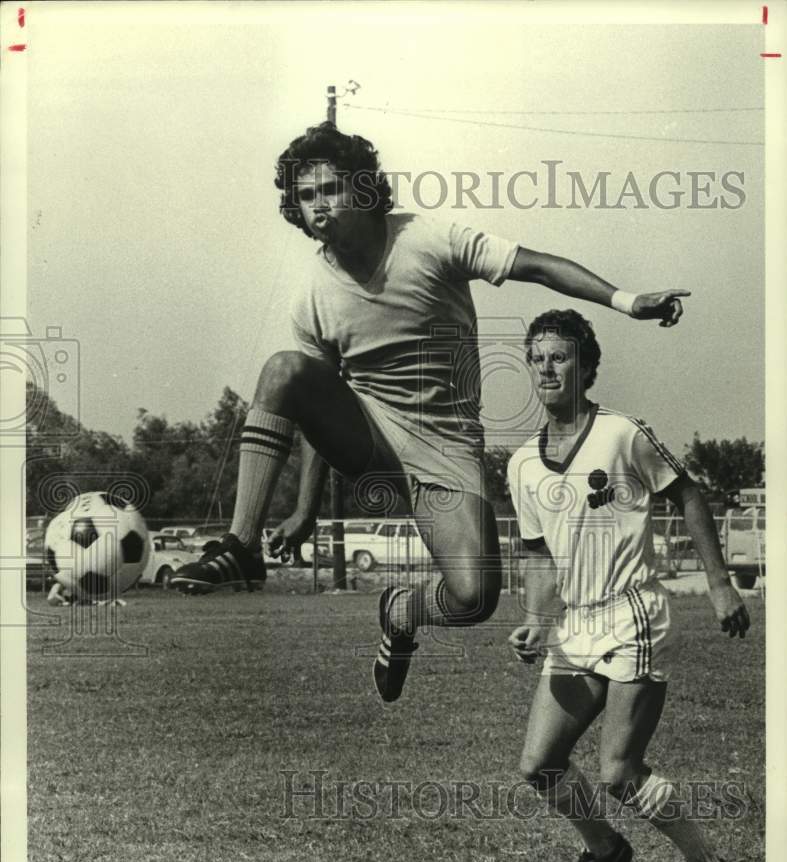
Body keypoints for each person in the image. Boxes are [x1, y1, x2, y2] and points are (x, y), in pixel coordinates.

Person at [171, 121, 690, 704]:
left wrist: (626, 301)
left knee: (474, 599)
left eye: (331, 189)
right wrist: (304, 507)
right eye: (306, 196)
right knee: (285, 370)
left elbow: (538, 265)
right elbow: (318, 408)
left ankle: (400, 612)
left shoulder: (429, 239)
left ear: (364, 189)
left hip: (446, 452)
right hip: (370, 440)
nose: (318, 206)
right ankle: (240, 546)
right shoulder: (312, 294)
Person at [506, 308, 749, 862]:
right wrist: (538, 619)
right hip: (577, 625)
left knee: (617, 771)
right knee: (541, 765)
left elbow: (688, 493)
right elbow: (538, 554)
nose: (546, 369)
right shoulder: (522, 465)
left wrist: (720, 586)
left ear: (586, 366)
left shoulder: (621, 433)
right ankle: (605, 848)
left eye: (559, 357)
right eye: (537, 359)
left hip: (632, 615)